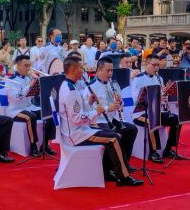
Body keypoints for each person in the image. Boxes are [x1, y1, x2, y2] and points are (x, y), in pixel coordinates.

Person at [57, 56, 142, 186]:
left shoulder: (69, 86)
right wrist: (96, 111)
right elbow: (77, 118)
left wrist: (89, 103)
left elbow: (79, 110)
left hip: (81, 129)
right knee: (113, 138)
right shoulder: (70, 91)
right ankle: (122, 176)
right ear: (73, 70)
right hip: (77, 134)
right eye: (81, 68)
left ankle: (118, 170)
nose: (83, 71)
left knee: (122, 133)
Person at [131, 54, 182, 164]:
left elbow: (161, 99)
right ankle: (153, 152)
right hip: (141, 113)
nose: (157, 68)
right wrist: (156, 98)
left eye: (158, 65)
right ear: (146, 64)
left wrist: (164, 96)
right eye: (154, 65)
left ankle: (168, 149)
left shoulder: (159, 78)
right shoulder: (138, 79)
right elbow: (137, 100)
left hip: (157, 111)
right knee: (152, 120)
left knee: (177, 119)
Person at [88, 57, 138, 167]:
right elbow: (88, 110)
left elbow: (121, 106)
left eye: (112, 70)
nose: (110, 73)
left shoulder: (114, 84)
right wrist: (108, 108)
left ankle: (124, 163)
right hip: (98, 121)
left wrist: (119, 103)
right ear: (99, 70)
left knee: (132, 129)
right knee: (113, 135)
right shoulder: (90, 87)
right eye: (108, 70)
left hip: (112, 119)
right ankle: (109, 168)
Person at [6, 55, 57, 156]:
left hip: (29, 107)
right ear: (17, 66)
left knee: (50, 113)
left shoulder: (28, 78)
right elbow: (17, 97)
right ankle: (33, 146)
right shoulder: (11, 80)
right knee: (31, 117)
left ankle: (45, 144)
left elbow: (36, 95)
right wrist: (31, 84)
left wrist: (41, 85)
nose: (29, 68)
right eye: (26, 66)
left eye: (30, 65)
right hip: (16, 110)